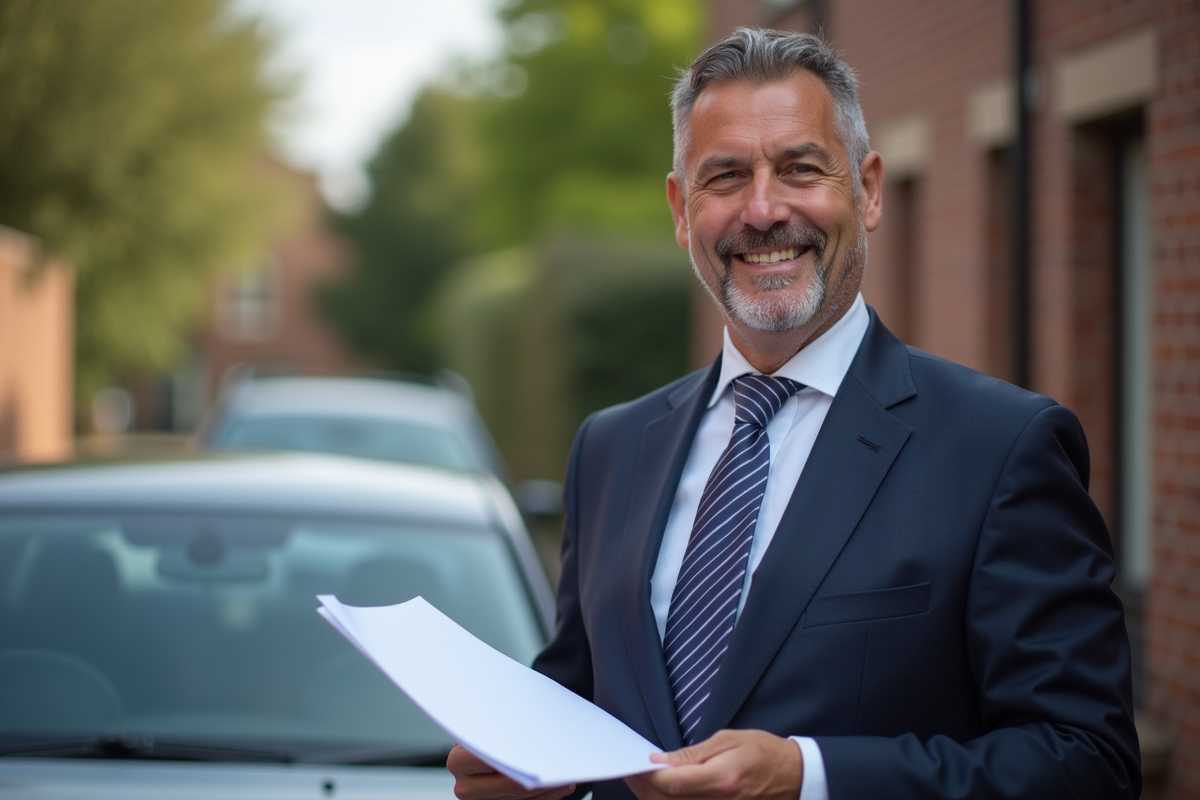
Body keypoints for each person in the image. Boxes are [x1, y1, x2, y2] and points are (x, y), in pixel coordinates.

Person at [448, 28, 1141, 800]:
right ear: (682, 210)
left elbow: (1085, 761)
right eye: (726, 177)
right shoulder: (610, 451)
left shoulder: (1000, 450)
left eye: (801, 169)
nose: (764, 209)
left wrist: (810, 776)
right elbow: (583, 713)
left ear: (869, 189)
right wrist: (527, 769)